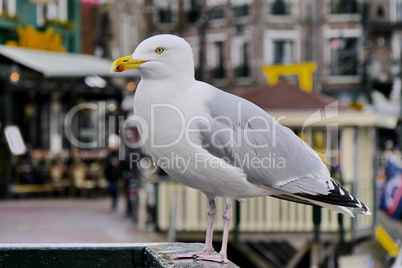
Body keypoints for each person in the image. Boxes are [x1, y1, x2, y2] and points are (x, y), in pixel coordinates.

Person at [104, 134, 121, 210]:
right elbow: (106, 165)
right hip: (110, 175)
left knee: (115, 189)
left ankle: (115, 201)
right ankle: (114, 201)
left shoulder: (119, 154)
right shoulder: (109, 154)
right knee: (111, 189)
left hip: (116, 176)